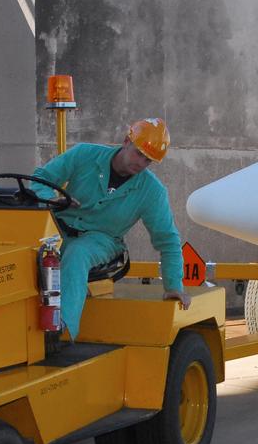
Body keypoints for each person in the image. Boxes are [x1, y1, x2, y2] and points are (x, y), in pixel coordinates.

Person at [31, 117, 190, 340]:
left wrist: (174, 285)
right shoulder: (84, 155)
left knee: (77, 254)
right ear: (126, 140)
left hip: (102, 240)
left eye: (148, 161)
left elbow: (168, 239)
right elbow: (41, 178)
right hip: (57, 229)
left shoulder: (152, 191)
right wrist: (50, 199)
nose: (141, 163)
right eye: (139, 154)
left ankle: (62, 333)